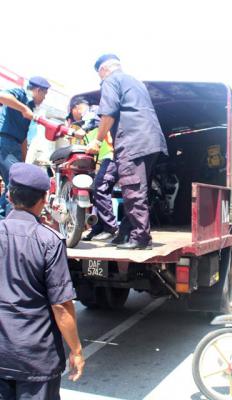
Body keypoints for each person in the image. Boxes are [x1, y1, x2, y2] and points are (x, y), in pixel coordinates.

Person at [0, 162, 85, 399]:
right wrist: (76, 350)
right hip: (36, 359)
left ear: (9, 195)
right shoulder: (49, 240)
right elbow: (61, 306)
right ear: (44, 199)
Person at [86, 54, 168, 249]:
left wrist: (97, 141)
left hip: (133, 141)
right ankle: (126, 234)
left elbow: (109, 112)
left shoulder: (110, 81)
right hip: (151, 141)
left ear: (103, 70)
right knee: (139, 190)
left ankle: (141, 239)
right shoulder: (136, 82)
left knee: (132, 191)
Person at [66, 97, 118, 241]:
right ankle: (97, 229)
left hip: (110, 155)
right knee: (97, 193)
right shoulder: (86, 119)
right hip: (102, 159)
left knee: (100, 189)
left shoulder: (92, 111)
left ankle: (110, 228)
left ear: (77, 107)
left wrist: (80, 129)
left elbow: (93, 120)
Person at [0, 76, 50, 214]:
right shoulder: (20, 94)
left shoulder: (31, 109)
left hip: (14, 145)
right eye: (44, 94)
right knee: (17, 184)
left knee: (14, 182)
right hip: (4, 141)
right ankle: (12, 222)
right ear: (38, 91)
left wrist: (23, 164)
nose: (44, 98)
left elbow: (23, 139)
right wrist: (23, 109)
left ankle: (3, 218)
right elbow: (2, 96)